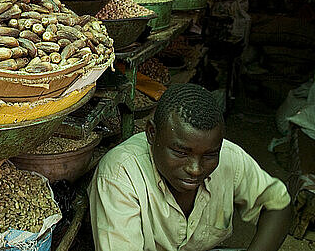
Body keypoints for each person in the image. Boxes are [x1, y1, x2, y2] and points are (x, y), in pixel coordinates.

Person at [89, 83, 292, 251]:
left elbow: (277, 205)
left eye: (210, 155)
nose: (195, 169)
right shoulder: (119, 175)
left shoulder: (230, 157)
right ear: (152, 133)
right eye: (181, 153)